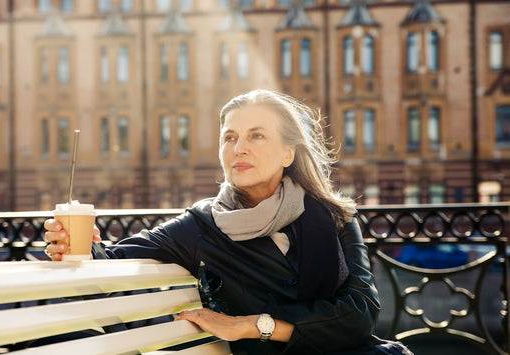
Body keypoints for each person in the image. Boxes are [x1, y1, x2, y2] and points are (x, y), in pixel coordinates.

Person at [45, 89, 411, 354]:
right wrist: (73, 244)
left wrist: (252, 324)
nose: (239, 149)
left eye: (256, 135)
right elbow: (110, 257)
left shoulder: (332, 216)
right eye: (229, 137)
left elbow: (361, 314)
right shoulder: (200, 226)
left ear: (288, 152)